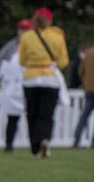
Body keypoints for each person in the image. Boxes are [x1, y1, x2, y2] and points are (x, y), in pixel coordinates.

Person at [19, 8, 69, 157]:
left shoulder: (27, 37)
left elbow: (22, 60)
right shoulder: (57, 36)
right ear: (50, 21)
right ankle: (45, 139)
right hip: (50, 78)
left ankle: (35, 144)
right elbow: (63, 61)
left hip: (31, 79)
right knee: (46, 115)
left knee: (32, 113)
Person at [0, 33, 27, 152]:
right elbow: (1, 71)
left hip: (27, 87)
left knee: (32, 117)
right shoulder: (12, 54)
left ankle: (35, 144)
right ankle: (9, 144)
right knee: (12, 118)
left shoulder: (30, 54)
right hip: (14, 90)